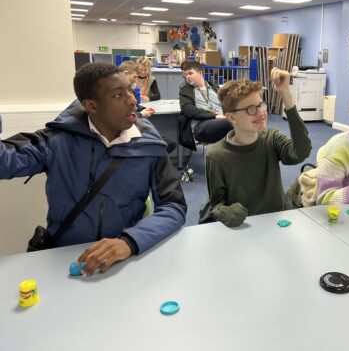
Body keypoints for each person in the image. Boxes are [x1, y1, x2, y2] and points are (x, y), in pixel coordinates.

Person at [0, 63, 186, 275]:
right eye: (118, 95)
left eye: (129, 89)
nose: (132, 100)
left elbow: (174, 206)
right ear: (91, 106)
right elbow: (4, 163)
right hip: (65, 259)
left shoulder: (150, 145)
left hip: (123, 260)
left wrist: (130, 241)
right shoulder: (56, 141)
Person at [203, 69, 312, 227]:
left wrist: (285, 93)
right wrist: (226, 213)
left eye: (261, 105)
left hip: (278, 221)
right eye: (251, 109)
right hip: (246, 226)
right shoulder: (216, 156)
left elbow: (301, 152)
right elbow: (216, 206)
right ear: (232, 117)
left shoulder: (271, 139)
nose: (261, 113)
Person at [178, 61, 232, 150]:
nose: (187, 77)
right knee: (232, 122)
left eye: (190, 73)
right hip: (201, 126)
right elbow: (188, 109)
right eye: (186, 74)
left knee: (244, 120)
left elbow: (227, 103)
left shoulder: (214, 87)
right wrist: (215, 116)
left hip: (222, 122)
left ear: (200, 73)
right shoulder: (185, 90)